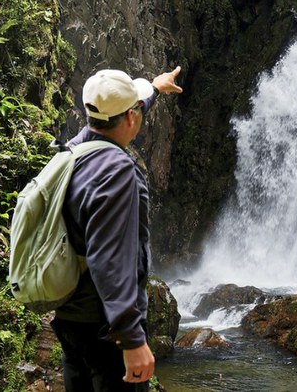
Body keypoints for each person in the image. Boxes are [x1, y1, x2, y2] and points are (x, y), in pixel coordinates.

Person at [51, 66, 183, 391]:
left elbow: (127, 106)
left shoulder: (73, 150)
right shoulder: (116, 171)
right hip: (105, 329)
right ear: (129, 118)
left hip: (70, 317)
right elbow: (109, 259)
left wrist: (155, 86)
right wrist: (131, 338)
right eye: (136, 108)